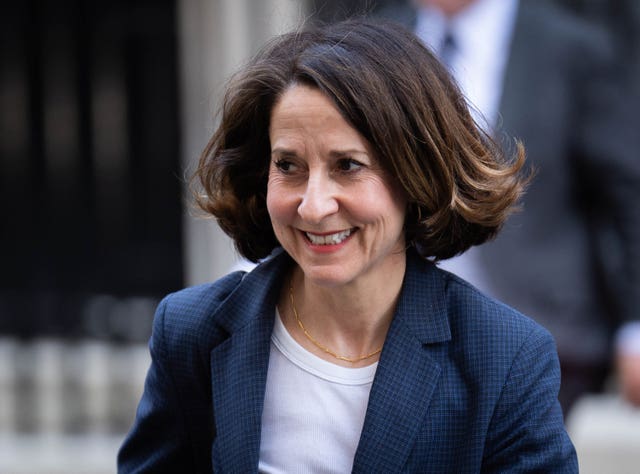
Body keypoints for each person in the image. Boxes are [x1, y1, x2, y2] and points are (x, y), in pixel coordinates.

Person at [117, 18, 577, 472]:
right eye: (289, 165)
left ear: (416, 175)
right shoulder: (192, 334)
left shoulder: (505, 358)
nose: (313, 207)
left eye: (349, 166)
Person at [375, 0, 640, 414]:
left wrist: (635, 327)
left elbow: (626, 193)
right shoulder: (377, 43)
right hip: (401, 322)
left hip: (545, 325)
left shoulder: (569, 46)